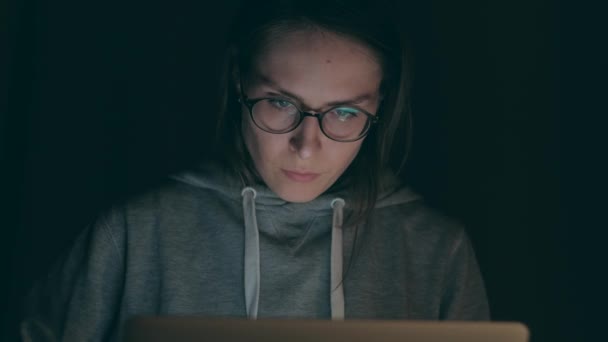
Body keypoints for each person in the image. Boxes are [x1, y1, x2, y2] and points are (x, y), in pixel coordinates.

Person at [20, 0, 490, 340]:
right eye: (280, 103)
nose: (307, 147)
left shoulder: (436, 249)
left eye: (345, 113)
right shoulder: (132, 234)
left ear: (380, 108)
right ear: (237, 82)